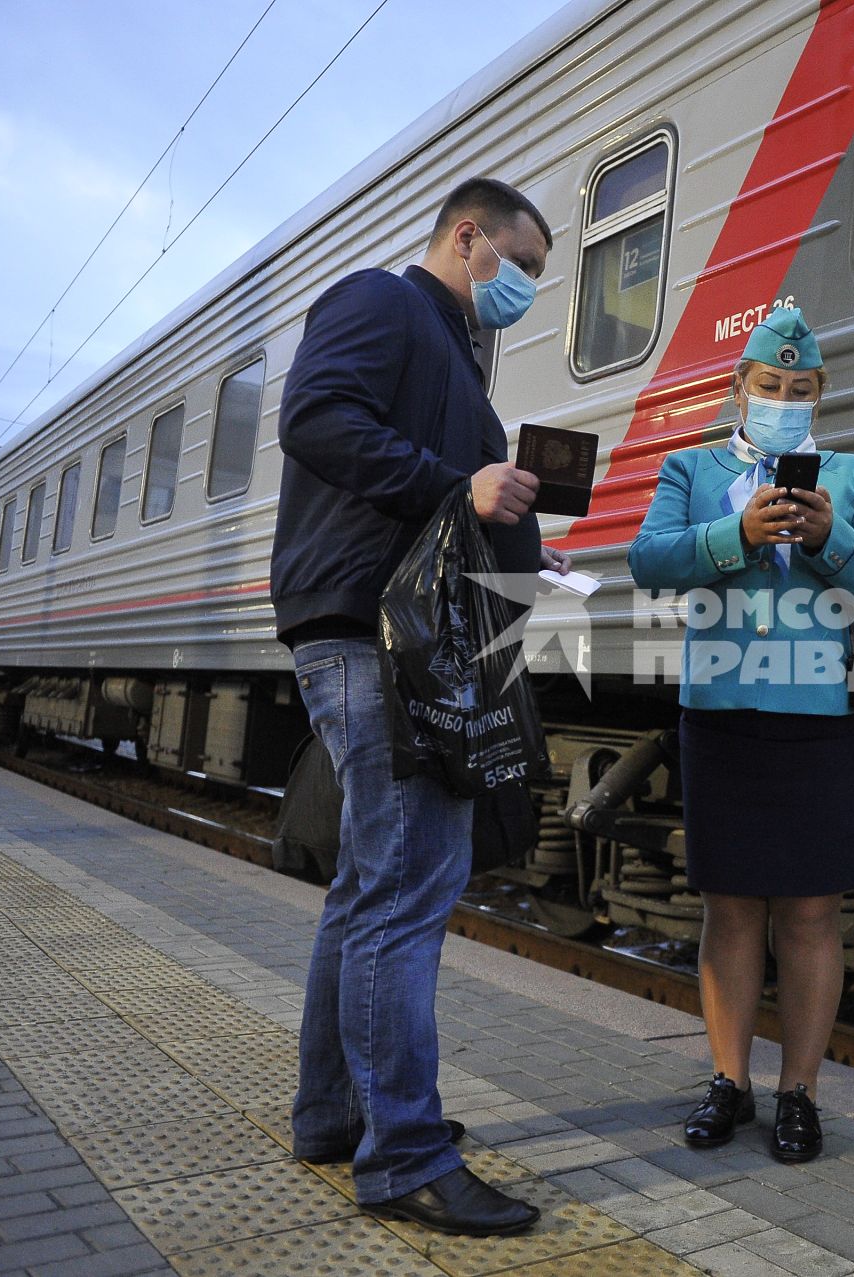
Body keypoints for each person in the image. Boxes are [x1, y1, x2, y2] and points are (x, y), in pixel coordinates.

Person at [270, 176, 568, 1235]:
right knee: (408, 891)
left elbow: (443, 492)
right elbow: (313, 419)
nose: (530, 282)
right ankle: (405, 1156)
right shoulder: (381, 303)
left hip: (385, 634)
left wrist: (514, 524)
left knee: (367, 886)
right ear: (466, 235)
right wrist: (461, 488)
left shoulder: (452, 355)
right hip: (368, 634)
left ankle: (329, 1114)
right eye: (523, 262)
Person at [627, 308, 854, 1161]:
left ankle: (799, 1093)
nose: (783, 399)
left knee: (813, 910)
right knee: (729, 905)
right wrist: (735, 534)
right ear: (738, 387)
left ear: (819, 394)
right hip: (721, 717)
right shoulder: (692, 467)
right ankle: (729, 1081)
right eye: (769, 385)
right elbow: (650, 562)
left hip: (823, 721)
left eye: (799, 389)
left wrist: (831, 538)